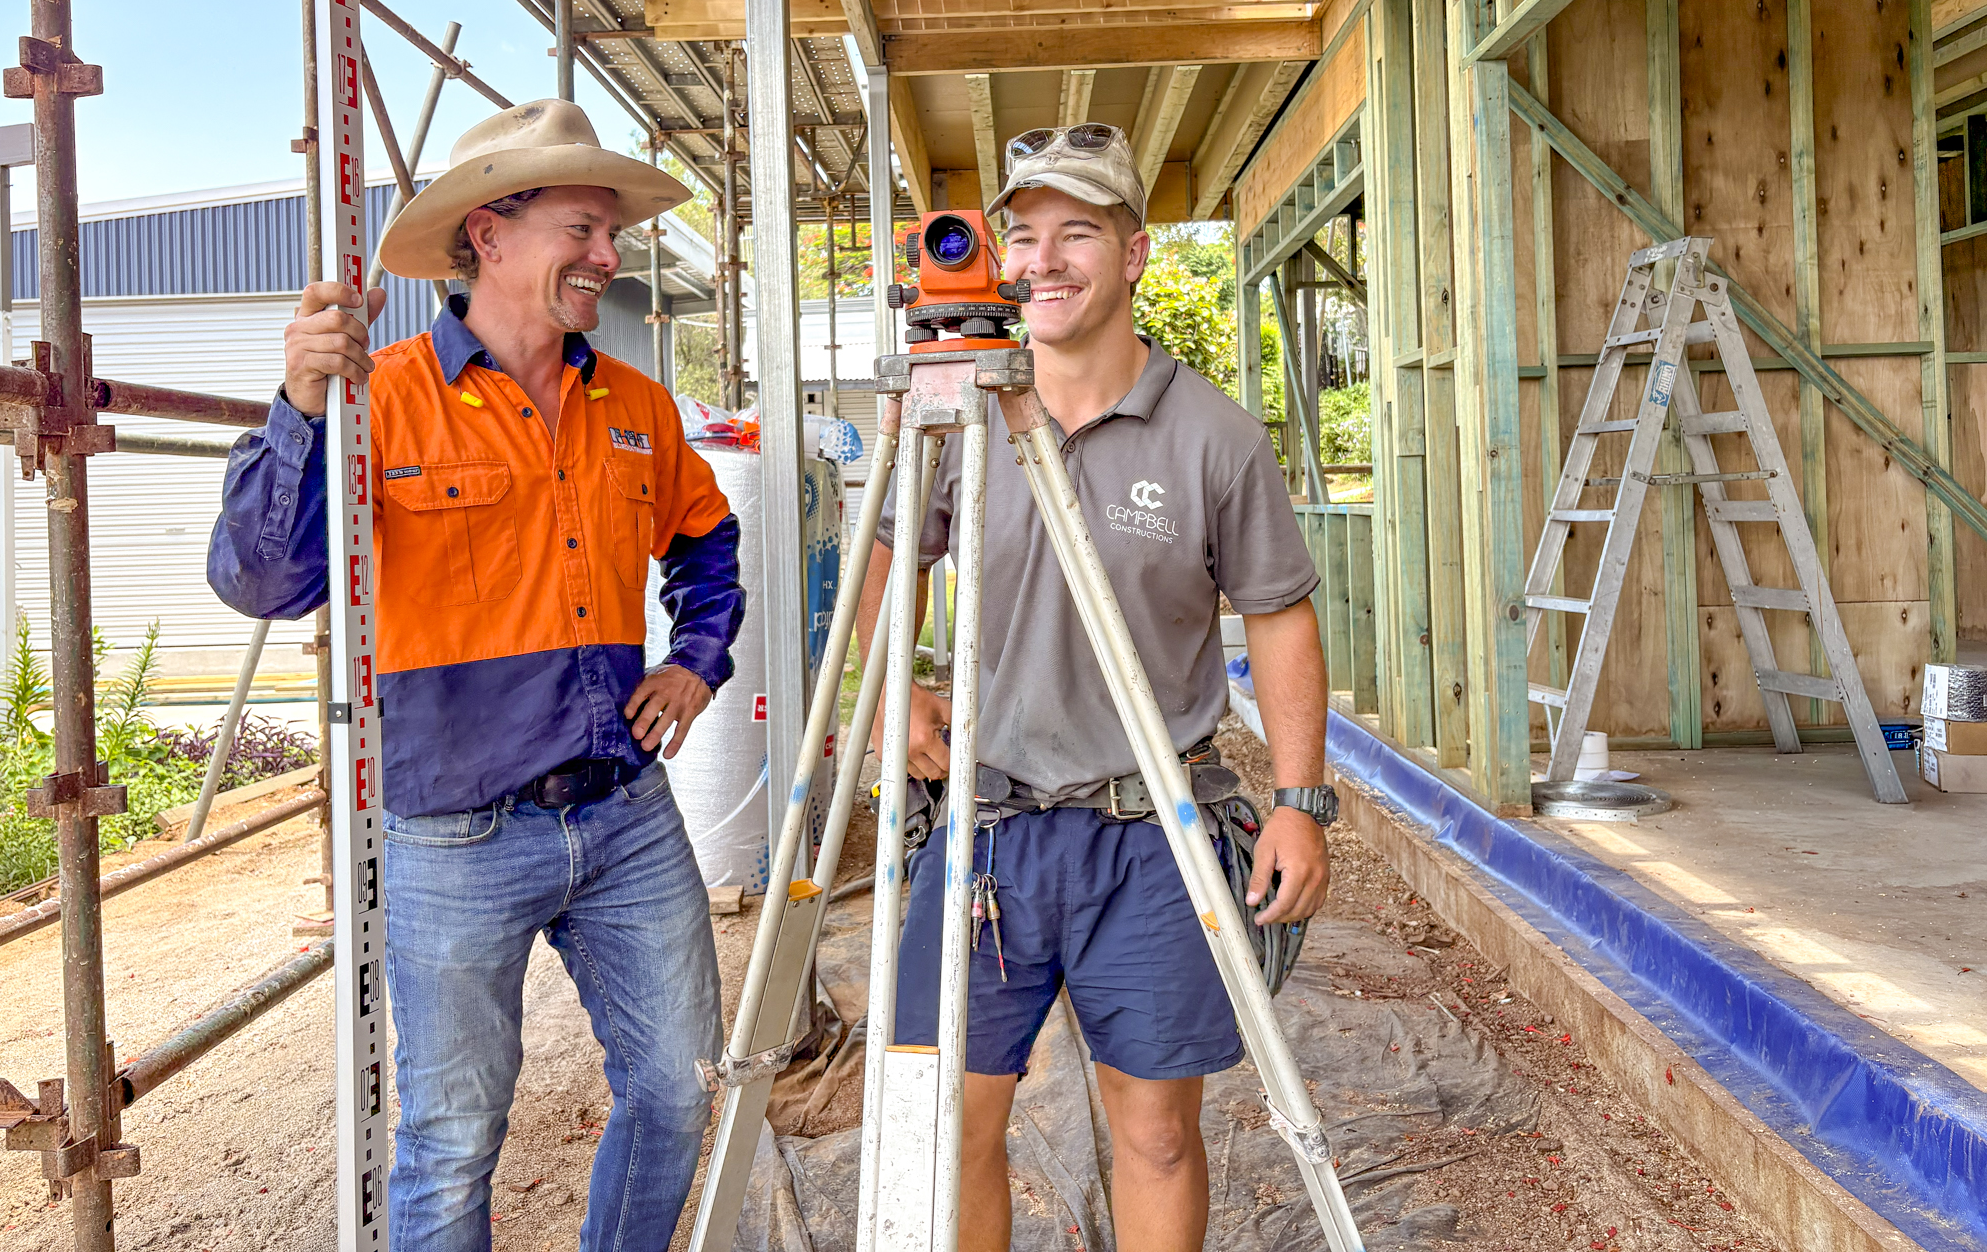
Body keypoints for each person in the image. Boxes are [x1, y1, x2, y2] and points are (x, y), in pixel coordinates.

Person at [208, 99, 744, 1252]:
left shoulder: (637, 406)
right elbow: (262, 583)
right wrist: (300, 408)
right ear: (489, 234)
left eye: (610, 232)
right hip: (453, 831)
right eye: (581, 229)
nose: (607, 255)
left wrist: (697, 661)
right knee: (452, 1140)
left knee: (678, 1086)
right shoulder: (378, 398)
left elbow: (709, 540)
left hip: (623, 810)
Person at [860, 123, 1338, 1252]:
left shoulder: (1214, 436)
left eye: (1076, 233)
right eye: (1023, 237)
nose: (1043, 261)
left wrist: (1299, 800)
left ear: (1133, 255)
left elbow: (1279, 615)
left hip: (1151, 834)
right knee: (948, 1124)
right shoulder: (957, 413)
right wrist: (886, 694)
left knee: (1158, 1133)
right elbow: (891, 555)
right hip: (987, 826)